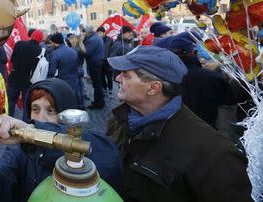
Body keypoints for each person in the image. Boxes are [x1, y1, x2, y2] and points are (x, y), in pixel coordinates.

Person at [106, 46, 252, 201]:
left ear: (153, 88)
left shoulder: (214, 154)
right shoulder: (120, 118)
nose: (118, 78)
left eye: (126, 75)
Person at [0, 78, 123, 202]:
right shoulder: (19, 152)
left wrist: (36, 131)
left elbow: (109, 159)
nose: (41, 117)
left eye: (51, 111)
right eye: (35, 109)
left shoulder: (88, 144)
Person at [155, 32, 235, 129]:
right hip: (208, 132)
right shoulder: (211, 77)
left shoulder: (159, 77)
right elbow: (229, 103)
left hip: (172, 131)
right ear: (194, 52)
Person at [8, 29, 43, 115]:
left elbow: (12, 59)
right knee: (26, 103)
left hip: (14, 76)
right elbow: (36, 67)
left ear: (31, 36)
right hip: (27, 80)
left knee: (11, 101)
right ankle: (25, 123)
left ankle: (8, 119)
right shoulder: (39, 50)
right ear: (40, 39)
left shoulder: (19, 44)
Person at [47, 33, 80, 106]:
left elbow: (52, 72)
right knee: (72, 100)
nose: (51, 44)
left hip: (61, 82)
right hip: (73, 80)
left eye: (52, 43)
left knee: (62, 102)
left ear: (56, 43)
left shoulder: (55, 53)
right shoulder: (73, 51)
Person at [83, 24, 105, 109]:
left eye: (84, 31)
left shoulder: (92, 39)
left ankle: (98, 103)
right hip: (97, 62)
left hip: (94, 63)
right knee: (97, 84)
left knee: (97, 84)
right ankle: (99, 101)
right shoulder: (96, 37)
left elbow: (87, 52)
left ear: (88, 31)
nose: (84, 33)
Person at [68, 34, 87, 108]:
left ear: (74, 40)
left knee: (76, 88)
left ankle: (79, 104)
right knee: (81, 87)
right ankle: (82, 104)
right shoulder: (81, 47)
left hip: (75, 70)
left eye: (70, 39)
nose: (69, 41)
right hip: (81, 69)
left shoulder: (74, 49)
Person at [97, 26, 114, 92]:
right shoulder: (97, 40)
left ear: (104, 33)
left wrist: (110, 58)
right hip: (100, 61)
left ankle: (110, 89)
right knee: (102, 76)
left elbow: (112, 50)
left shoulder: (110, 40)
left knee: (109, 77)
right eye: (98, 33)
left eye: (100, 32)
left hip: (108, 61)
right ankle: (104, 88)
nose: (99, 34)